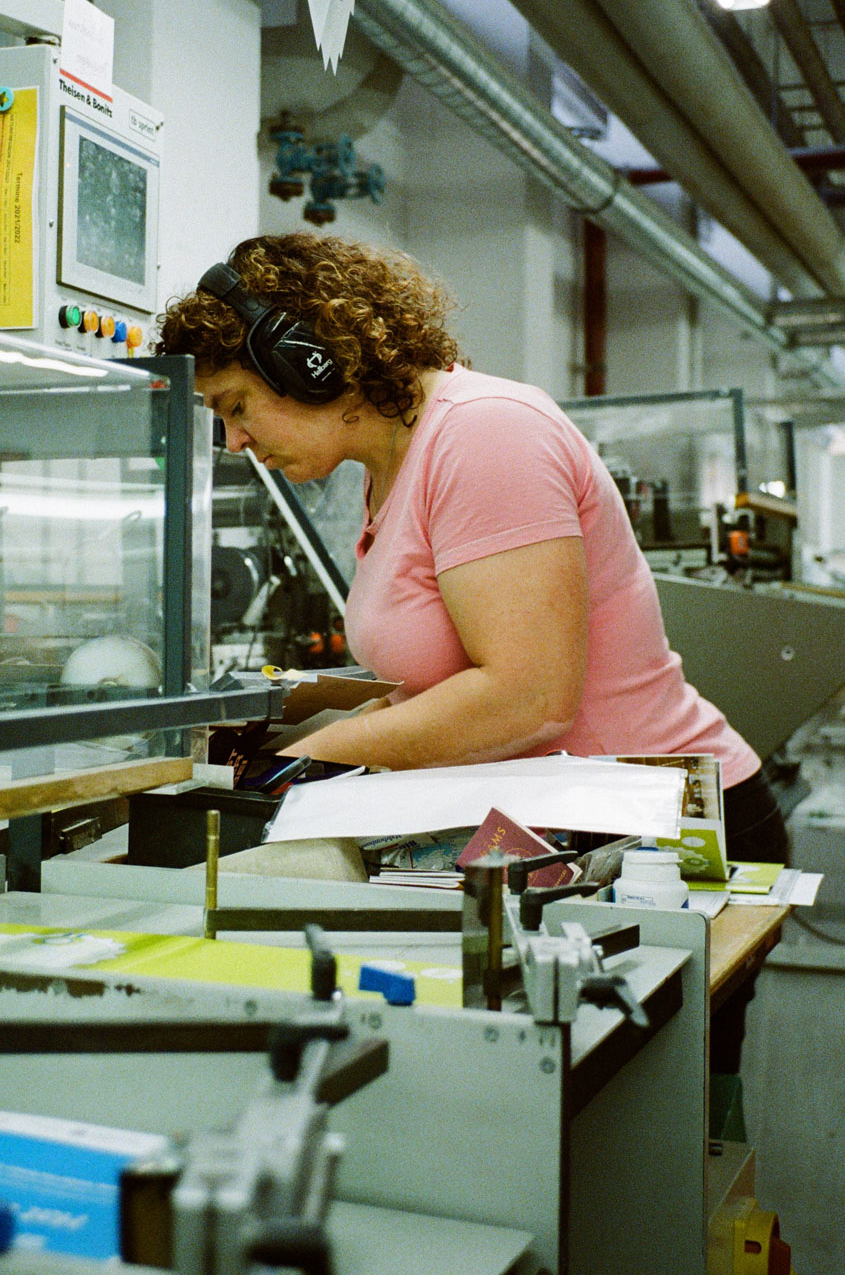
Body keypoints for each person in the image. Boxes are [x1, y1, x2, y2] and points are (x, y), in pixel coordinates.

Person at [156, 232, 789, 883]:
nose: (233, 440)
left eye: (236, 407)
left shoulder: (484, 432)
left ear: (311, 361)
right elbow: (431, 692)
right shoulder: (389, 470)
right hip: (559, 828)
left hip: (662, 839)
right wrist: (279, 755)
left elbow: (529, 697)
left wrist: (306, 764)